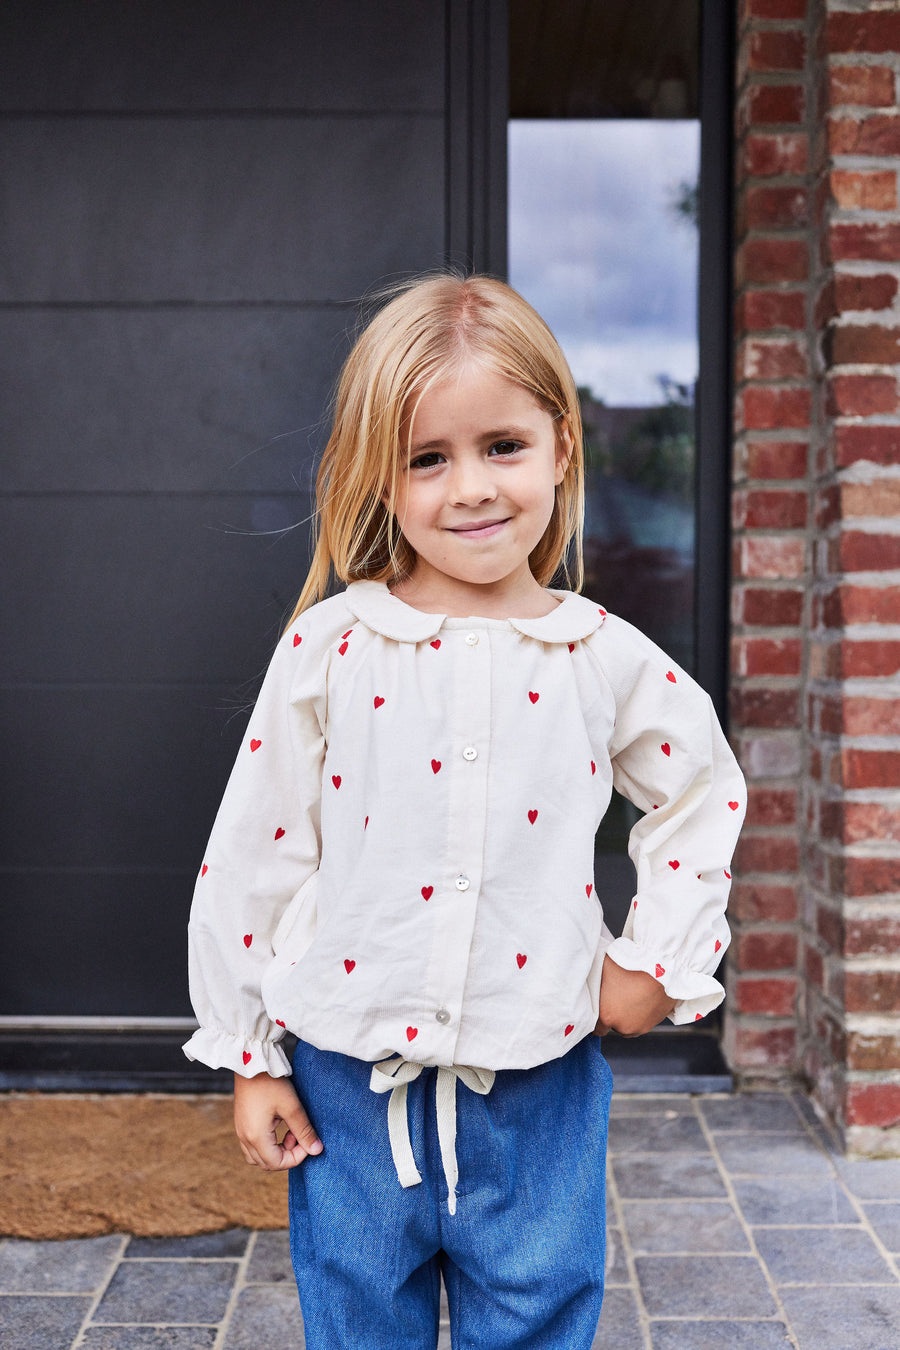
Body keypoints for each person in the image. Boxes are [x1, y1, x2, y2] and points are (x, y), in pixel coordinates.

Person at [184, 273, 745, 1349]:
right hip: (347, 1088)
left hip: (537, 1087)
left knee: (538, 1317)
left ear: (561, 448)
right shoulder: (332, 648)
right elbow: (256, 851)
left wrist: (660, 957)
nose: (472, 488)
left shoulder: (602, 657)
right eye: (428, 459)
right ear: (378, 477)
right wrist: (252, 1057)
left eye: (503, 446)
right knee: (357, 1322)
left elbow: (700, 788)